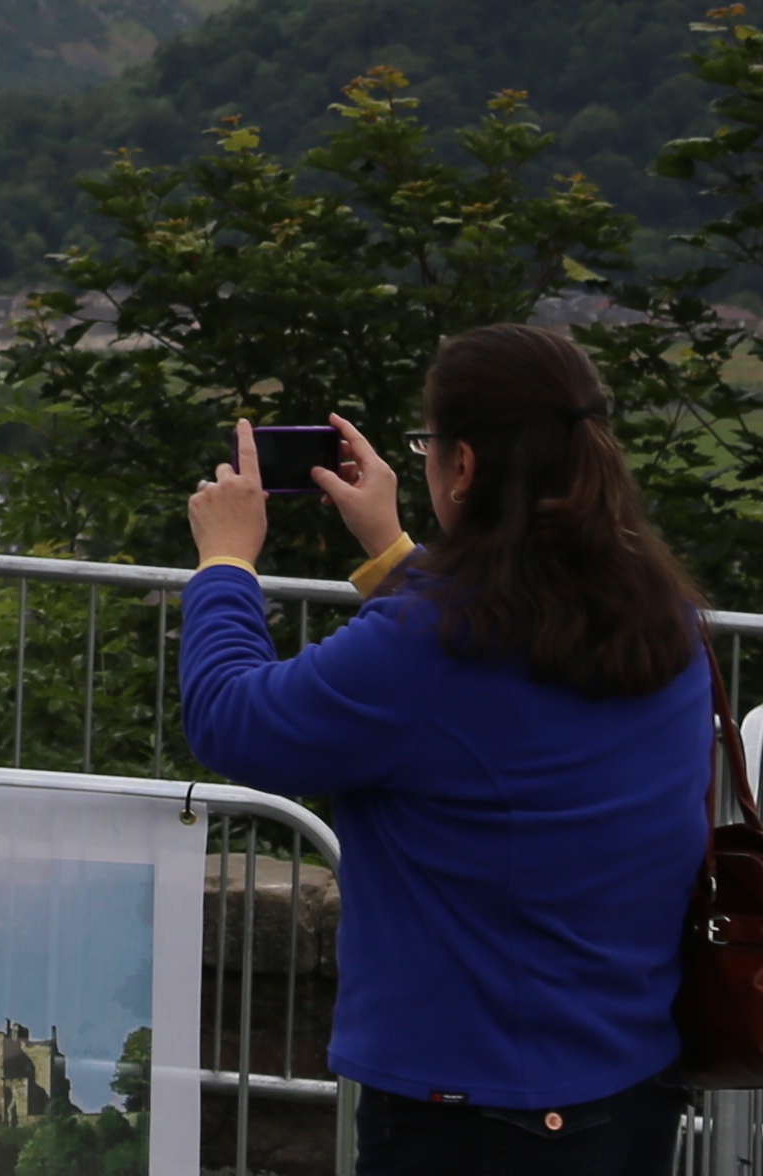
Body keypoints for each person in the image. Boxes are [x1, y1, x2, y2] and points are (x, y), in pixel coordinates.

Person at [175, 324, 715, 1173]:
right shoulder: (660, 612)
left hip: (469, 1107)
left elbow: (233, 719)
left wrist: (225, 566)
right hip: (631, 1081)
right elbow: (499, 666)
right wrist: (392, 552)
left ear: (463, 465)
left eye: (429, 445)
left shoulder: (432, 645)